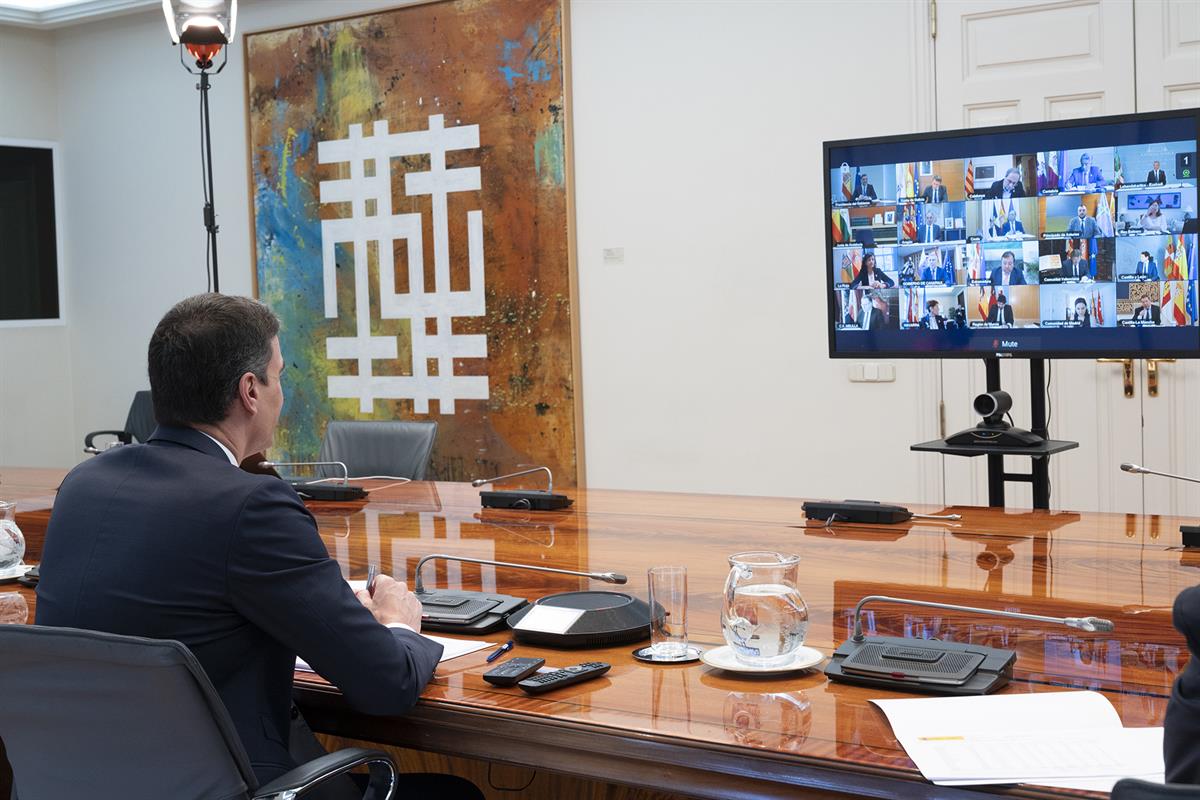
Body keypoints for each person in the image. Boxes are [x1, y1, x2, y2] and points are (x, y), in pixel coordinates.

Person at [34, 294, 482, 799]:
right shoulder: (251, 505)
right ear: (250, 390)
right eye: (280, 375)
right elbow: (386, 685)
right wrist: (398, 621)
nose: (281, 393)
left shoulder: (82, 485)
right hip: (233, 783)